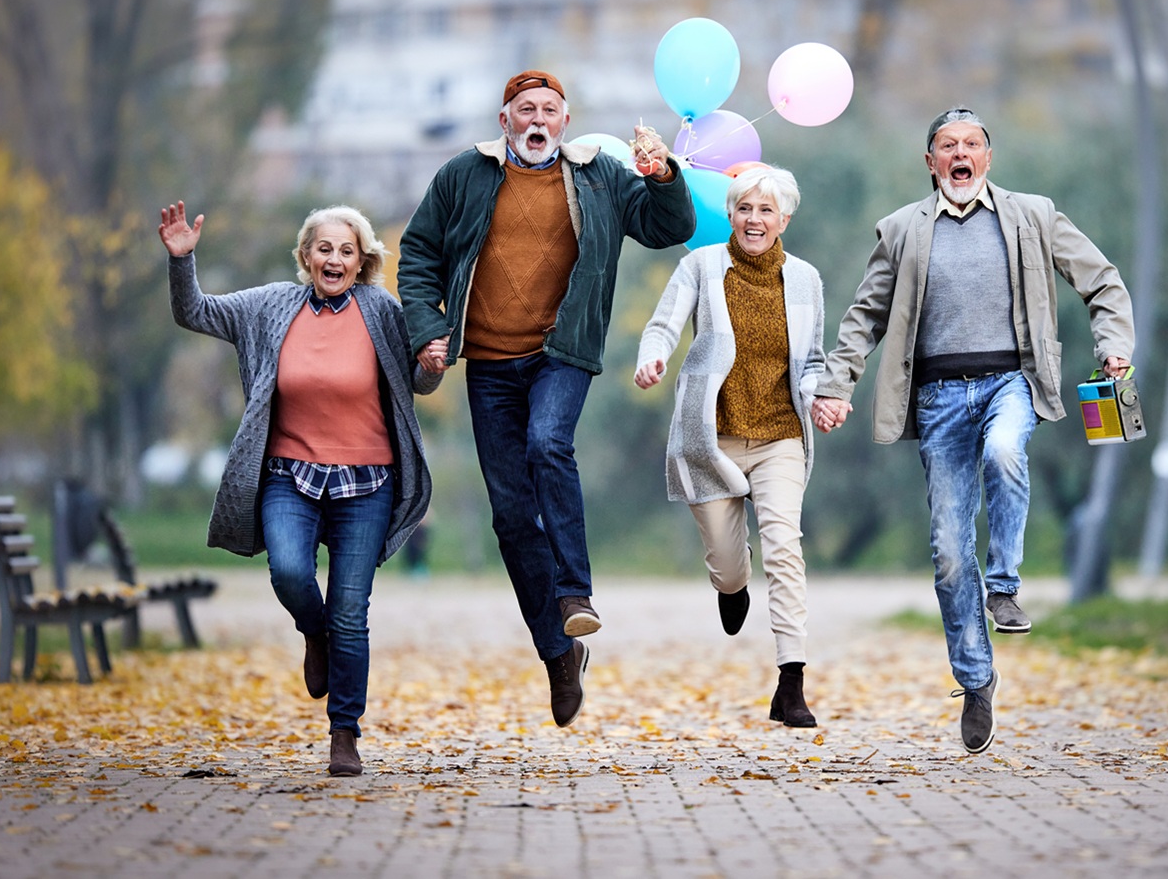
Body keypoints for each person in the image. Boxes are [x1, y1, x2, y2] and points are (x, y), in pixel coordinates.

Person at [811, 108, 1135, 754]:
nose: (960, 155)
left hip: (1008, 383)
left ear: (989, 157)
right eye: (946, 146)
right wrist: (835, 383)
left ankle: (1006, 587)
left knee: (1006, 447)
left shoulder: (1033, 216)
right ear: (930, 162)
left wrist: (1114, 346)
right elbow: (864, 315)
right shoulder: (902, 230)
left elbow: (1102, 281)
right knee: (949, 551)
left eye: (972, 145)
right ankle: (976, 679)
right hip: (936, 399)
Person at [396, 70, 696, 728]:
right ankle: (559, 653)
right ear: (504, 121)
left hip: (563, 353)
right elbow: (416, 255)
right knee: (509, 515)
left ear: (565, 121)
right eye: (524, 109)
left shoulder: (601, 175)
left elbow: (667, 227)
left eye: (550, 110)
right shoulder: (462, 176)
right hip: (490, 366)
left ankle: (574, 591)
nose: (537, 119)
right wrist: (428, 328)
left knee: (547, 442)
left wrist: (663, 174)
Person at [157, 200, 439, 776]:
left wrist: (432, 363)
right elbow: (195, 313)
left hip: (367, 482)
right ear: (306, 256)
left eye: (346, 251)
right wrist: (183, 261)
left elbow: (418, 379)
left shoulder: (381, 311)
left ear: (362, 262)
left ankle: (344, 734)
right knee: (288, 571)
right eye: (324, 248)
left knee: (350, 611)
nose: (334, 259)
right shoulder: (270, 306)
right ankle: (315, 633)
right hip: (292, 475)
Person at [634, 167, 825, 728]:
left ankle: (791, 682)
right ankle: (731, 582)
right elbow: (663, 325)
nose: (754, 219)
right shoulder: (700, 266)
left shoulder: (806, 279)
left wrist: (822, 398)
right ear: (732, 214)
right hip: (710, 439)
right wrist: (654, 357)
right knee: (725, 563)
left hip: (780, 435)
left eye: (766, 210)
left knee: (785, 548)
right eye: (745, 208)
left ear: (784, 219)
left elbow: (811, 362)